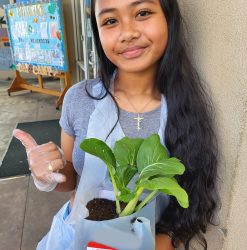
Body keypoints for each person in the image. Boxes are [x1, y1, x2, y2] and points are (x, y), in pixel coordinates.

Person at [13, 0, 219, 249]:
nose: (127, 33)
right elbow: (69, 179)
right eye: (110, 20)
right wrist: (47, 173)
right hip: (76, 235)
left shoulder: (187, 109)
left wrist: (156, 243)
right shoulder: (79, 99)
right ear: (97, 32)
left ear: (168, 18)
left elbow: (192, 202)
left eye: (142, 13)